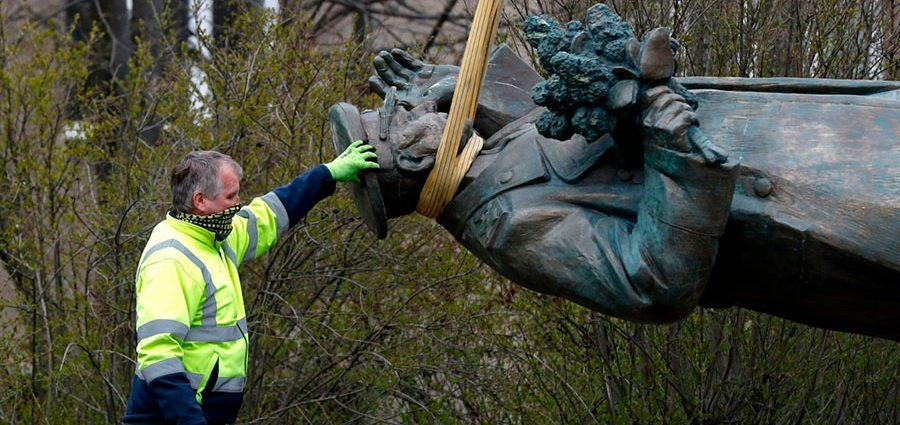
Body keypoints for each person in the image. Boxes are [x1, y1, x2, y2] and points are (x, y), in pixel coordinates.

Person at [330, 41, 899, 340]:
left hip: (809, 128)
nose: (413, 104)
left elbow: (545, 114)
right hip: (812, 201)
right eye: (397, 117)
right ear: (409, 155)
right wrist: (675, 156)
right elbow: (653, 282)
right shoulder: (505, 224)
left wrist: (464, 85)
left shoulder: (486, 153)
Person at [123, 144, 378, 424]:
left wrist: (327, 174)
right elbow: (158, 353)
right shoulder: (171, 259)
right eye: (231, 196)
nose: (239, 202)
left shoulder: (215, 236)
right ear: (200, 201)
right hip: (171, 417)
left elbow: (269, 213)